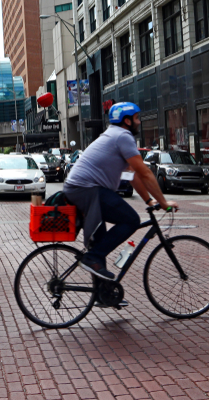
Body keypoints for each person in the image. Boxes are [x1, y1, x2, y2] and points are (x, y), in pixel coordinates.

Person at [63, 102, 179, 282]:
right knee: (131, 220)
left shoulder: (113, 135)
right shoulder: (123, 136)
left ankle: (103, 293)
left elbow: (132, 175)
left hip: (80, 188)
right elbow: (145, 173)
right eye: (136, 118)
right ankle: (92, 258)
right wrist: (163, 203)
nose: (139, 122)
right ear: (126, 121)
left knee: (100, 242)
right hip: (87, 189)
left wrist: (149, 201)